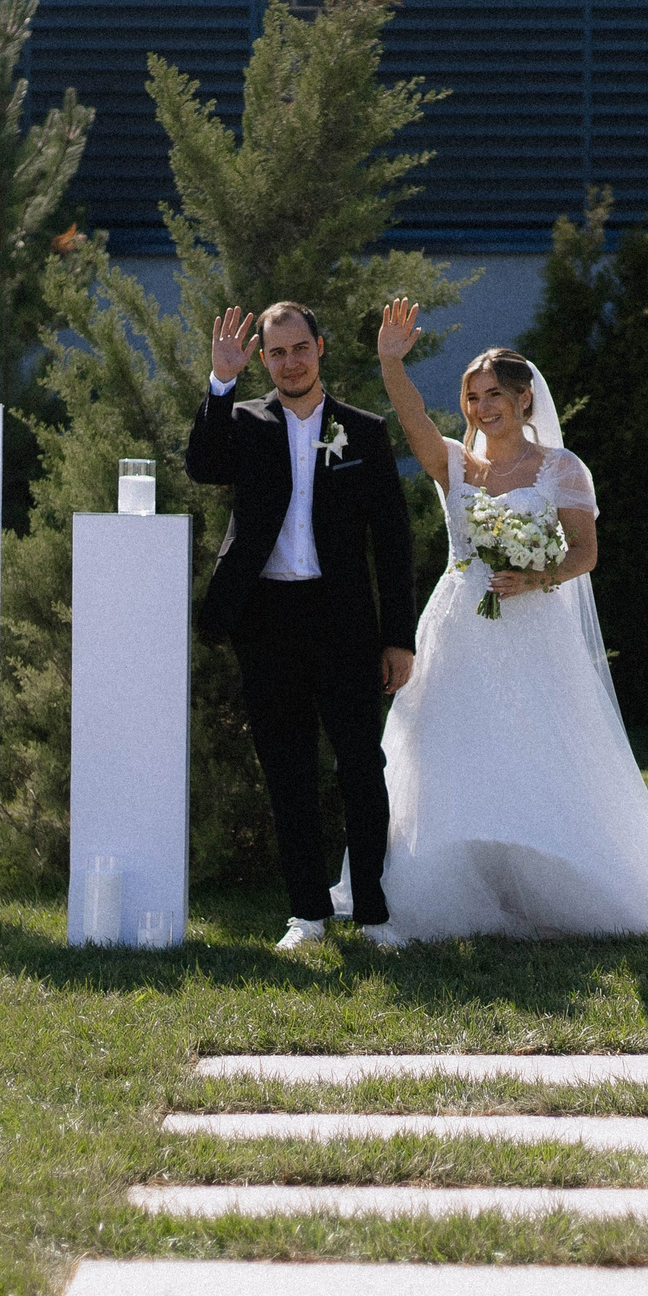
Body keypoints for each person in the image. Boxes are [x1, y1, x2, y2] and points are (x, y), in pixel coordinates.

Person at [361, 299, 648, 940]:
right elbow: (413, 419)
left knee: (539, 752)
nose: (481, 407)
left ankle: (555, 884)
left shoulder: (560, 468)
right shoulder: (455, 463)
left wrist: (534, 578)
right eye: (472, 397)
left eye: (494, 394)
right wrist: (392, 363)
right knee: (450, 752)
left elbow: (585, 552)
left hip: (533, 629)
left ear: (524, 398)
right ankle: (456, 886)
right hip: (458, 625)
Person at [185, 301, 415, 950]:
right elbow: (203, 465)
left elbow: (392, 541)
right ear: (263, 359)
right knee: (287, 769)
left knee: (360, 766)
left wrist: (398, 638)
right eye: (277, 352)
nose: (291, 362)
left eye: (300, 349)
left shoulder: (363, 431)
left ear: (320, 348)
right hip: (266, 619)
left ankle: (372, 912)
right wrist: (220, 382)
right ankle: (308, 913)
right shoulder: (244, 422)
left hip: (344, 620)